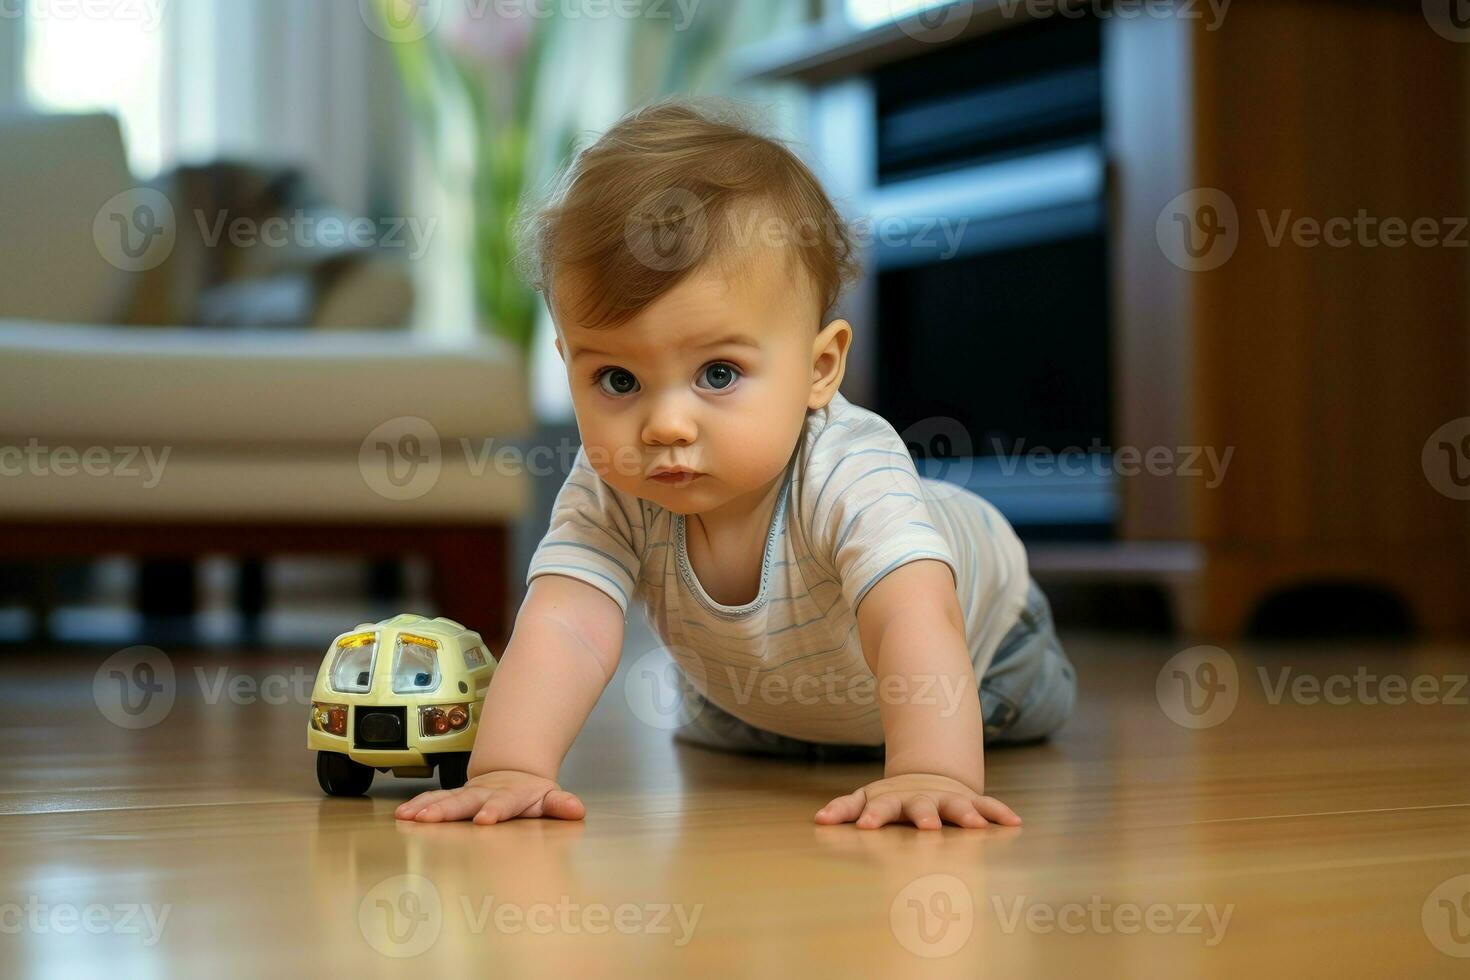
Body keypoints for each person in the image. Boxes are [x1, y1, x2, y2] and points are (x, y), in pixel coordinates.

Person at [396, 99, 1075, 831]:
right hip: (759, 698)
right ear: (570, 368)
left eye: (718, 374)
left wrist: (929, 770)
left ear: (820, 369)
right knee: (721, 724)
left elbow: (913, 613)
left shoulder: (848, 466)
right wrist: (510, 768)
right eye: (618, 380)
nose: (665, 425)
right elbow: (566, 624)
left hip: (986, 656)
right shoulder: (611, 488)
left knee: (997, 705)